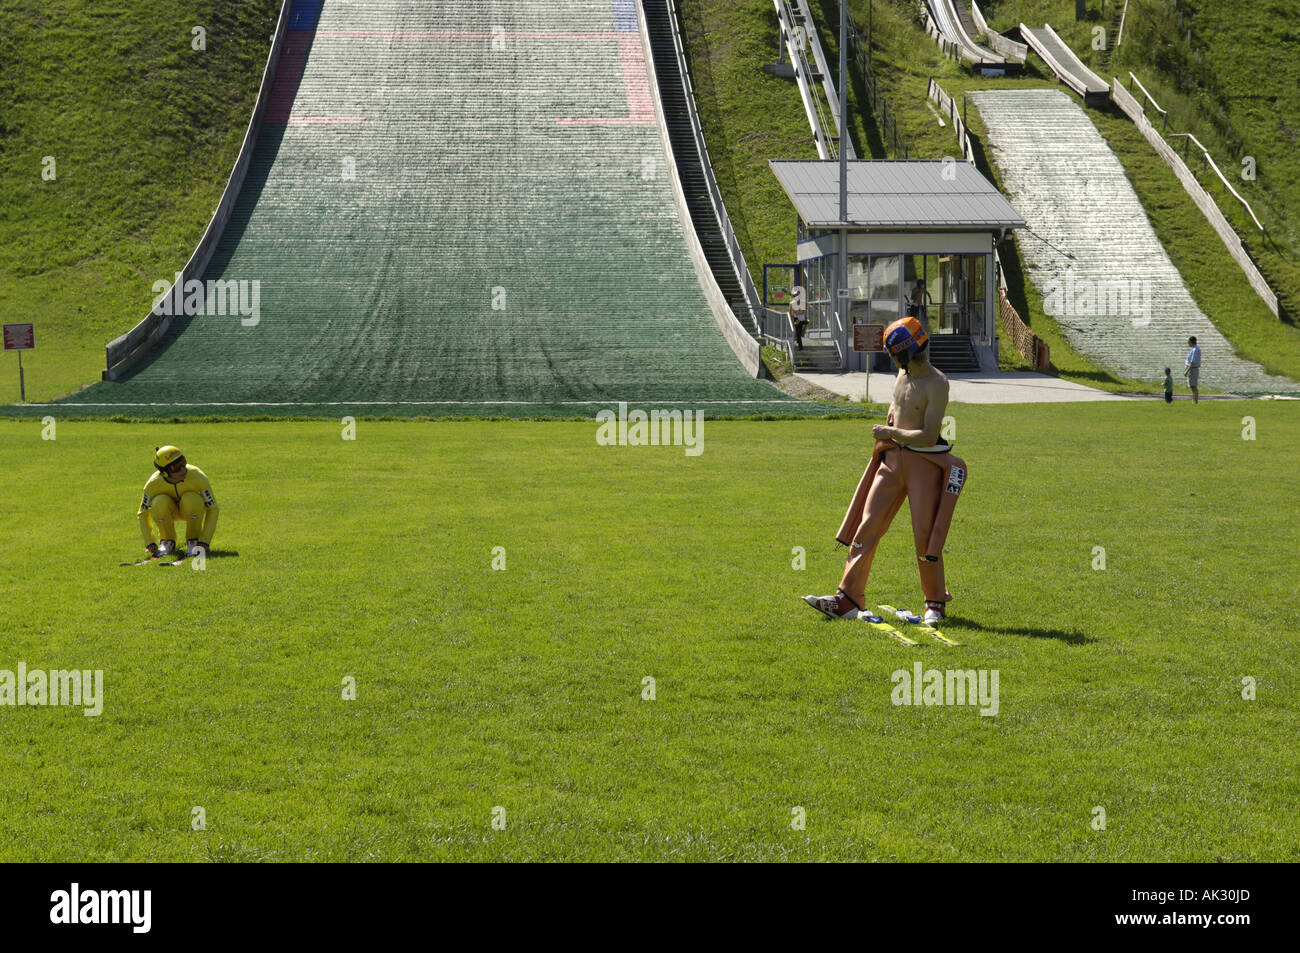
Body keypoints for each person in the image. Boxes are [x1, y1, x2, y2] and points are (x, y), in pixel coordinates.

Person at [803, 317, 968, 625]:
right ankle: (848, 597)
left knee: (924, 534)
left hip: (923, 464)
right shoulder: (901, 375)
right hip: (892, 462)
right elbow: (898, 413)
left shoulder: (937, 383)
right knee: (867, 526)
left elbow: (929, 436)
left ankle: (935, 602)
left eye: (894, 354)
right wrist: (890, 435)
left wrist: (889, 434)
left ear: (904, 352)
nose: (892, 360)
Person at [138, 446, 219, 559]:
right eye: (176, 467)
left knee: (191, 499)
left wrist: (205, 541)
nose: (183, 469)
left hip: (192, 509)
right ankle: (167, 541)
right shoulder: (152, 484)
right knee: (159, 501)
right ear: (164, 473)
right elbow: (143, 513)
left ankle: (193, 540)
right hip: (168, 512)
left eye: (183, 463)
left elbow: (213, 508)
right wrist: (149, 542)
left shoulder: (197, 476)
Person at [1184, 336, 1201, 404]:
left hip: (1192, 369)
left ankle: (1195, 402)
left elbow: (1192, 362)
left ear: (1191, 342)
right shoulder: (1194, 348)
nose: (1187, 343)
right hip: (1192, 369)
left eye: (1188, 341)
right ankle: (1194, 402)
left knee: (1193, 386)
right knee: (1193, 386)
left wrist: (1186, 371)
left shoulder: (1195, 349)